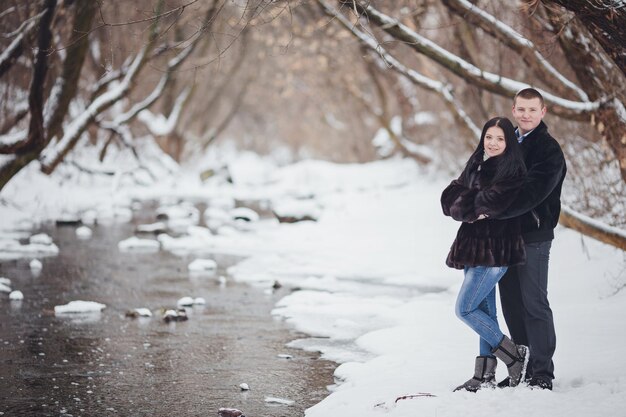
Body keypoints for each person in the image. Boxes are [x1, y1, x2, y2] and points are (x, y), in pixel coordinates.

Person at [441, 117, 530, 392]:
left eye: (500, 139)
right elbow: (448, 199)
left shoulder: (512, 172)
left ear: (509, 143)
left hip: (494, 251)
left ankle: (514, 356)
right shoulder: (476, 162)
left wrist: (467, 201)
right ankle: (484, 376)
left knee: (465, 308)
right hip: (472, 249)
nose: (492, 143)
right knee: (484, 312)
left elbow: (488, 203)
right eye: (488, 137)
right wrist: (468, 204)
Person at [493, 88, 567, 390]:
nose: (525, 115)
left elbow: (532, 193)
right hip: (502, 236)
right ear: (513, 110)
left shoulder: (548, 149)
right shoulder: (503, 142)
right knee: (510, 303)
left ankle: (542, 373)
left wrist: (494, 208)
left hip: (534, 235)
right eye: (521, 109)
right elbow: (484, 177)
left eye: (532, 110)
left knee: (534, 303)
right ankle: (520, 369)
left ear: (543, 112)